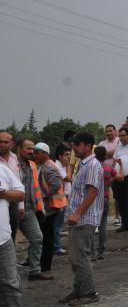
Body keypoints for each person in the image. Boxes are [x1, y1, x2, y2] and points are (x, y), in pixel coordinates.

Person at [59, 132, 103, 306]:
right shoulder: (83, 164)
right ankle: (78, 290)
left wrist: (77, 213)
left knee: (80, 257)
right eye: (73, 145)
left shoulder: (92, 164)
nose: (74, 148)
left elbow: (92, 191)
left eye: (77, 145)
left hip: (85, 218)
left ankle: (89, 293)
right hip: (78, 218)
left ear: (87, 146)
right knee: (75, 257)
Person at [15, 139, 53, 281]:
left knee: (37, 238)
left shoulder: (32, 165)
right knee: (8, 243)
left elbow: (35, 188)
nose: (31, 151)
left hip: (29, 209)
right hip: (11, 209)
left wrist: (40, 208)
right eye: (28, 148)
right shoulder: (10, 165)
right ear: (19, 149)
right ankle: (8, 274)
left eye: (33, 149)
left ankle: (35, 271)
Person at [33, 143, 67, 273]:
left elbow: (56, 184)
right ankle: (43, 263)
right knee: (46, 235)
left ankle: (45, 266)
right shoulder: (44, 166)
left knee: (47, 237)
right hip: (50, 206)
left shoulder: (48, 167)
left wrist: (45, 196)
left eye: (37, 152)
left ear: (44, 153)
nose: (35, 155)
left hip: (50, 207)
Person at [0, 163, 25, 307]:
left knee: (10, 286)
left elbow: (20, 194)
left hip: (3, 240)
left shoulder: (2, 168)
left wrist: (4, 194)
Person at [91, 146, 122, 260]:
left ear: (94, 155)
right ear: (105, 155)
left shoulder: (92, 167)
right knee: (103, 226)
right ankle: (101, 252)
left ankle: (91, 253)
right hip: (104, 198)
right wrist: (121, 166)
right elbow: (120, 177)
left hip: (93, 199)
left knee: (91, 226)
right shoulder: (108, 168)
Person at [98, 124, 121, 226]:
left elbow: (118, 153)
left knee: (117, 196)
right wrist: (113, 153)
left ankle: (117, 217)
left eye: (110, 130)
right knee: (102, 197)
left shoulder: (120, 141)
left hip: (116, 173)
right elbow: (99, 156)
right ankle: (101, 218)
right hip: (103, 174)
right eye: (107, 131)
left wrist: (106, 154)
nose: (108, 133)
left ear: (115, 131)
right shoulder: (101, 143)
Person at [0, 130, 20, 241]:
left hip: (13, 200)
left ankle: (9, 257)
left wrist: (20, 205)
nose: (2, 144)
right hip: (1, 200)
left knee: (11, 232)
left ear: (12, 143)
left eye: (5, 142)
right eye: (0, 141)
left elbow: (18, 181)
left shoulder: (14, 158)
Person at [53, 144, 71, 255]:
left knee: (59, 224)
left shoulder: (62, 166)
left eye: (69, 154)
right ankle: (56, 247)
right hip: (58, 198)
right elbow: (68, 178)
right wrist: (69, 166)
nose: (68, 157)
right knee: (57, 224)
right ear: (60, 156)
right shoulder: (57, 166)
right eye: (66, 155)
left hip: (64, 197)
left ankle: (56, 245)